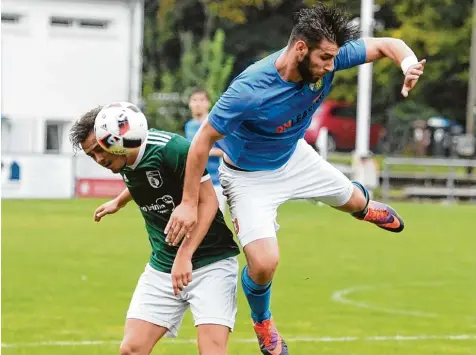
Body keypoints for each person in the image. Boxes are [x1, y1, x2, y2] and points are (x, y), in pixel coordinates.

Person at [165, 3, 425, 355]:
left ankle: (363, 206)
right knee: (264, 263)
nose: (332, 66)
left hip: (294, 156)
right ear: (301, 49)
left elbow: (385, 45)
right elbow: (202, 142)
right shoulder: (249, 89)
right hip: (248, 178)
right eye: (325, 58)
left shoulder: (328, 53)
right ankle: (263, 321)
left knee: (354, 201)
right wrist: (186, 202)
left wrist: (408, 63)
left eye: (334, 57)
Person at [69, 105, 240, 355]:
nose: (99, 160)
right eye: (91, 155)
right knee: (132, 349)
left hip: (211, 263)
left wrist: (185, 255)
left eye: (98, 149)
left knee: (212, 351)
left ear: (116, 134)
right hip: (162, 266)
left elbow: (209, 202)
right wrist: (120, 201)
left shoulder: (172, 149)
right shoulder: (122, 159)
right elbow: (145, 176)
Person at [184, 88, 226, 214]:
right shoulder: (189, 126)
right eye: (195, 100)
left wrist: (205, 151)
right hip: (195, 182)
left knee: (216, 223)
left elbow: (227, 152)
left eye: (202, 100)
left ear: (208, 103)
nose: (198, 104)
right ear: (190, 103)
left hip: (215, 182)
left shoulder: (215, 124)